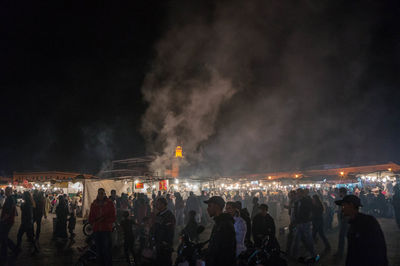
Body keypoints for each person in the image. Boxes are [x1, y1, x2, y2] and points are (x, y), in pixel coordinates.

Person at [335, 195, 388, 266]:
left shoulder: (368, 222)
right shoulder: (352, 223)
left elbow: (378, 248)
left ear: (351, 205)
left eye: (344, 206)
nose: (342, 209)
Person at [204, 196, 236, 266]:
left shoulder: (225, 224)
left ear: (217, 207)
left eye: (210, 206)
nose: (207, 209)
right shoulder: (219, 222)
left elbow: (226, 252)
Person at [89, 188, 116, 266]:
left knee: (106, 250)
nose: (100, 195)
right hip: (97, 230)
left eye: (102, 193)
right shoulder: (94, 204)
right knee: (98, 250)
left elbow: (113, 217)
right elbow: (91, 217)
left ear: (104, 194)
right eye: (99, 193)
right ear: (97, 193)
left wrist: (104, 220)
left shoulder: (109, 203)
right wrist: (93, 223)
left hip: (106, 230)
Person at [292, 189, 318, 261]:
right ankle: (295, 255)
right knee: (297, 239)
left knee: (308, 239)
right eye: (297, 193)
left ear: (302, 194)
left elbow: (311, 210)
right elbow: (296, 212)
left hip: (305, 222)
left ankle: (313, 254)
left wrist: (308, 218)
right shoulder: (297, 202)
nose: (297, 194)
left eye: (298, 193)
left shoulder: (306, 201)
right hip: (299, 223)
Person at [153, 197, 176, 266]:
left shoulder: (169, 215)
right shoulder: (158, 215)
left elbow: (170, 231)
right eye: (156, 204)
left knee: (166, 261)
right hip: (158, 244)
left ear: (163, 204)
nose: (156, 206)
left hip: (165, 245)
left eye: (158, 204)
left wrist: (165, 242)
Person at [0, 187, 17, 264]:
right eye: (5, 191)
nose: (5, 192)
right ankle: (14, 249)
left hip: (7, 221)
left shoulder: (10, 199)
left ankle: (4, 255)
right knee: (4, 236)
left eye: (6, 191)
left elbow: (9, 212)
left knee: (3, 237)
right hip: (7, 220)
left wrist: (3, 220)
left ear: (9, 191)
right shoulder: (9, 198)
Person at [334, 187, 348, 257]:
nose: (338, 193)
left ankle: (340, 252)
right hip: (344, 220)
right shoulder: (344, 198)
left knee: (342, 237)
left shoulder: (345, 199)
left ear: (342, 192)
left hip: (344, 220)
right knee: (345, 236)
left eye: (339, 192)